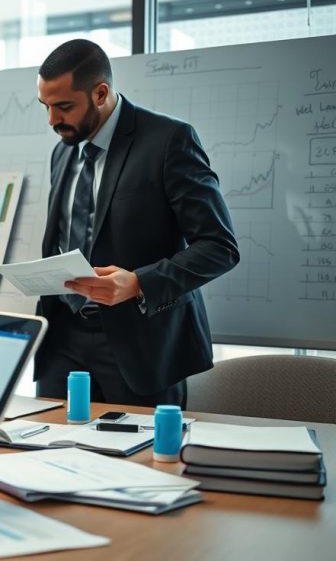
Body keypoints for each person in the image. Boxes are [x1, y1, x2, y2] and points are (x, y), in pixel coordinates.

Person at [34, 39, 240, 408]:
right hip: (61, 341)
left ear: (100, 93)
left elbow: (220, 247)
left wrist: (139, 283)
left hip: (139, 346)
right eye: (46, 107)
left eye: (63, 106)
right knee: (46, 456)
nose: (52, 120)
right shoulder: (63, 150)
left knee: (142, 462)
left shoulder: (169, 141)